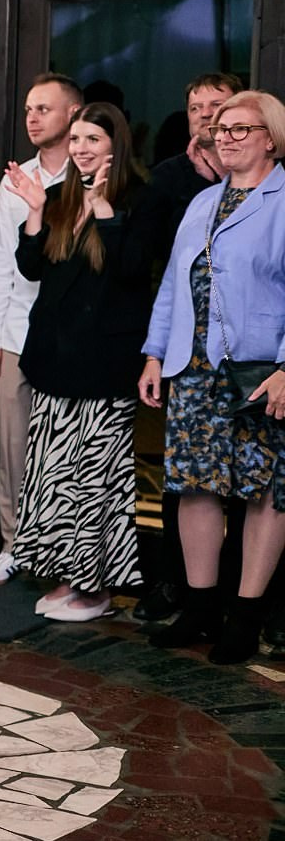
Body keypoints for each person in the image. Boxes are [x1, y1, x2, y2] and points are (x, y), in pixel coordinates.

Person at [139, 90, 285, 664]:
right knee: (195, 485)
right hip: (194, 368)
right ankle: (200, 609)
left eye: (240, 129)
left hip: (257, 372)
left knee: (264, 490)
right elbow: (173, 285)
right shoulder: (204, 200)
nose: (225, 137)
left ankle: (244, 617)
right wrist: (155, 354)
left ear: (271, 139)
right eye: (221, 129)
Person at [5, 103, 151, 621]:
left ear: (116, 145)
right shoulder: (59, 195)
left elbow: (132, 272)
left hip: (105, 367)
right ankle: (67, 579)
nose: (82, 149)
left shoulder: (139, 197)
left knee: (94, 482)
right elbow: (31, 268)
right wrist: (35, 210)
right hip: (54, 361)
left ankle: (96, 590)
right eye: (76, 139)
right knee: (54, 479)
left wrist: (105, 212)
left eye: (93, 139)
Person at [134, 72, 243, 622]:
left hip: (247, 356)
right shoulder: (170, 179)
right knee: (186, 482)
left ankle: (243, 600)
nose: (206, 115)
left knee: (246, 483)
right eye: (196, 106)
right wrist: (154, 351)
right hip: (188, 350)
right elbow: (158, 268)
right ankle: (180, 588)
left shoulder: (268, 187)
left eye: (216, 105)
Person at [0, 73, 82, 585]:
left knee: (67, 449)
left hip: (71, 335)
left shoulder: (91, 174)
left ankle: (62, 554)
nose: (32, 118)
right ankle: (12, 545)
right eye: (28, 110)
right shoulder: (15, 178)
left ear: (73, 114)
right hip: (17, 330)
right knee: (14, 447)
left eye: (44, 108)